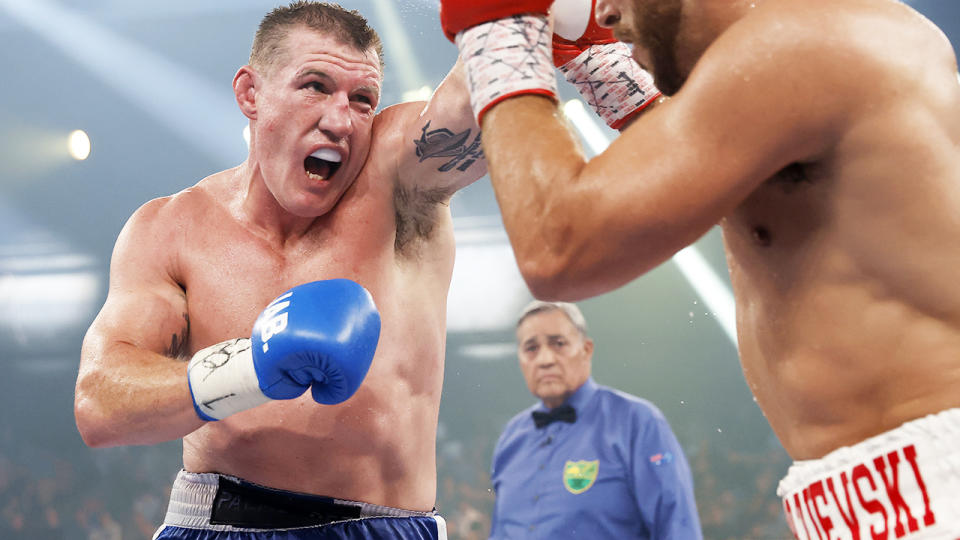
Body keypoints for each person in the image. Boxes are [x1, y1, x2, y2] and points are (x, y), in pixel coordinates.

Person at [438, 0, 960, 537]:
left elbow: (558, 245)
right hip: (867, 494)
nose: (607, 11)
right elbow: (702, 160)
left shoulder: (804, 40)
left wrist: (499, 25)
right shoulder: (805, 53)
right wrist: (594, 64)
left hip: (934, 489)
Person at [74, 2, 487, 538]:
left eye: (362, 100)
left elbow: (478, 103)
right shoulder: (172, 228)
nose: (340, 120)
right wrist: (248, 372)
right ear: (250, 93)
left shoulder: (394, 177)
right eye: (315, 85)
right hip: (212, 523)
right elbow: (99, 403)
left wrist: (545, 22)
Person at [489, 301, 701, 539]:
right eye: (531, 348)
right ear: (520, 358)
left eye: (558, 344)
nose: (545, 359)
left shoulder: (636, 422)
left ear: (586, 350)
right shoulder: (511, 439)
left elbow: (677, 528)